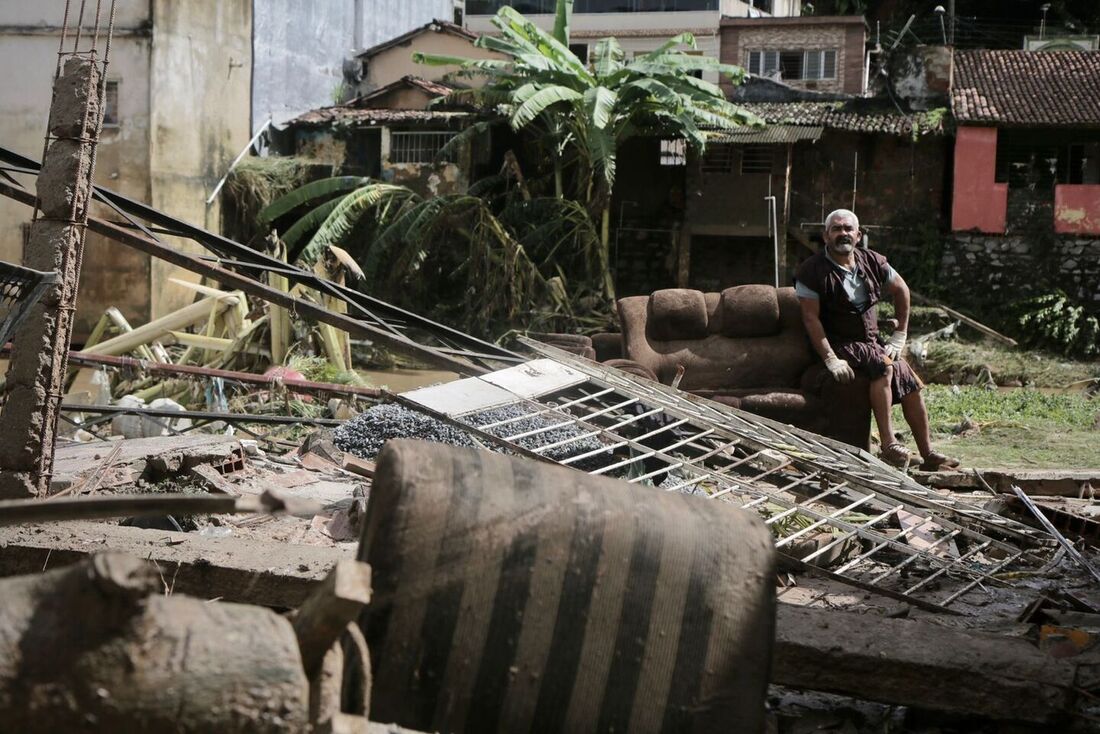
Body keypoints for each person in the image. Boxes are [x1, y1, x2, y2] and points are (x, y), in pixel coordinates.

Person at [794, 209, 958, 471]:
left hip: (871, 341)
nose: (843, 234)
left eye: (848, 229)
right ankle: (888, 444)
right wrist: (830, 359)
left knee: (908, 380)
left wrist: (900, 335)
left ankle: (928, 454)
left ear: (858, 236)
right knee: (883, 365)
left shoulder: (872, 261)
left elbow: (901, 289)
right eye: (836, 229)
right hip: (839, 342)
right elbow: (811, 319)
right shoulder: (811, 271)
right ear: (826, 236)